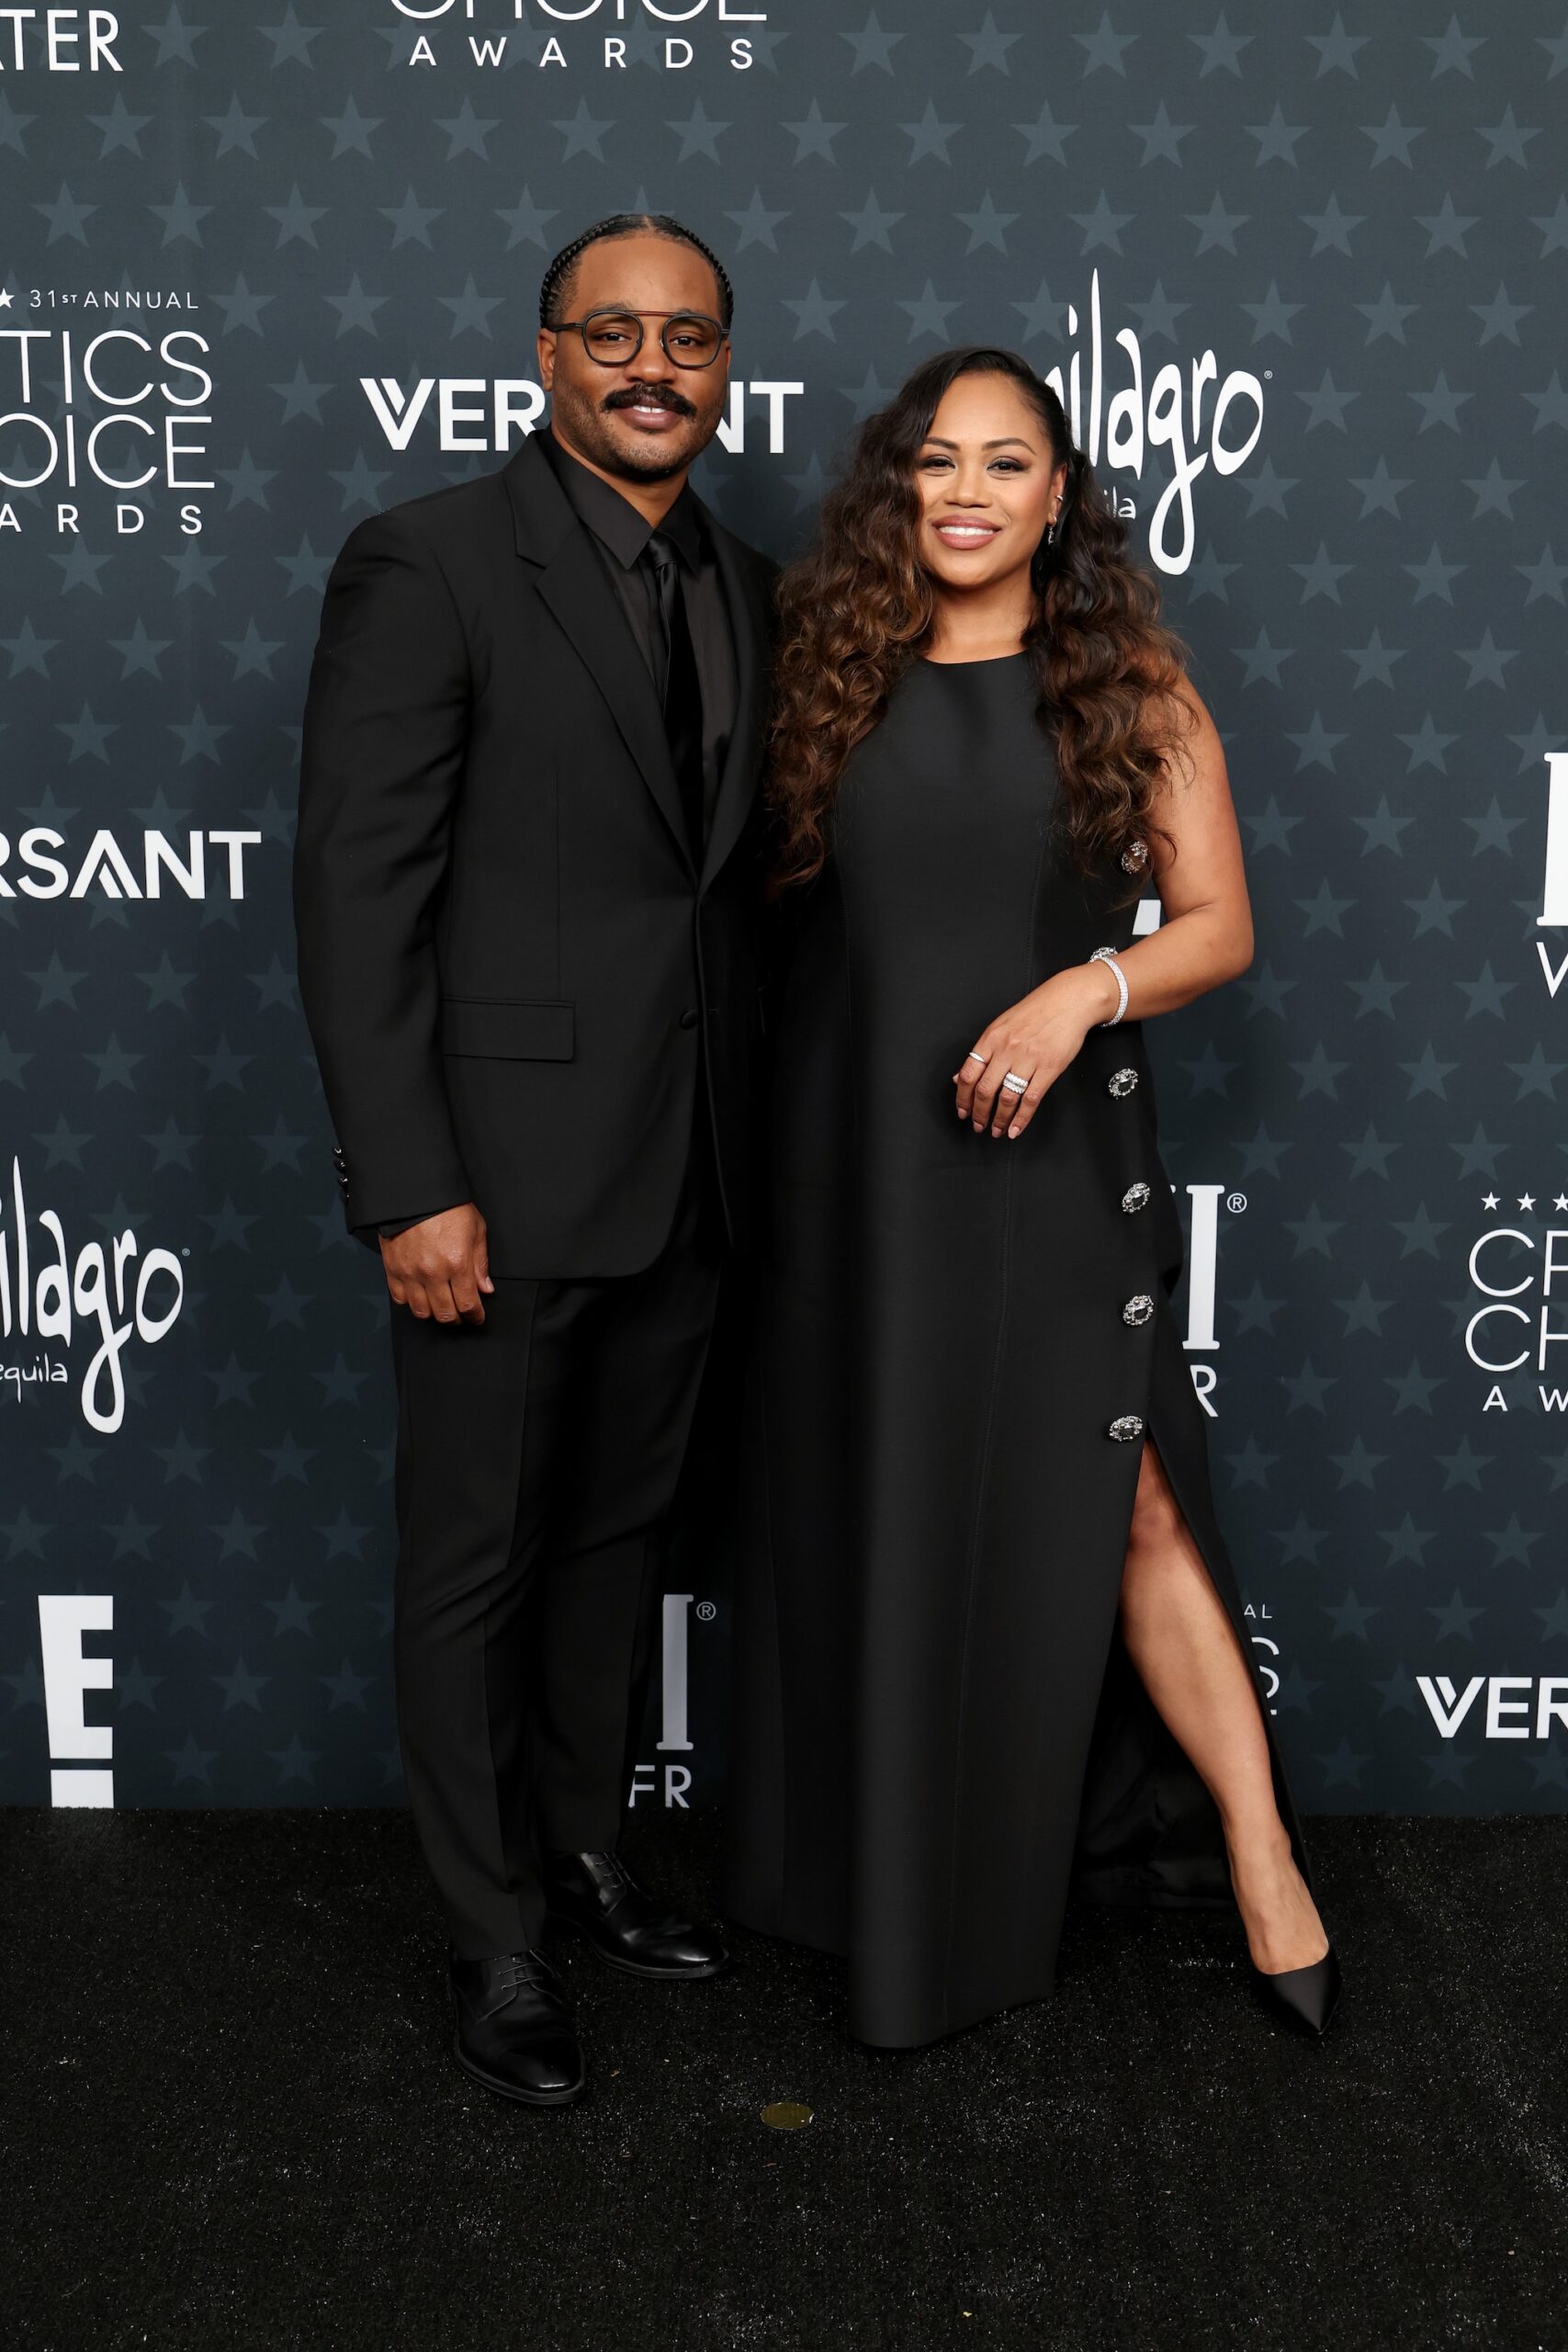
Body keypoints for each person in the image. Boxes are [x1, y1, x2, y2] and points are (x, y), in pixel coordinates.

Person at [720, 345, 1340, 2050]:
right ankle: (873, 1887)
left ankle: (1263, 1853)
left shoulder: (1126, 685)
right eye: (939, 461)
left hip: (1052, 1161)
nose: (971, 492)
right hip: (857, 1170)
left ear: (1060, 496)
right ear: (895, 489)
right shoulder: (824, 677)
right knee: (880, 1503)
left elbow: (1220, 925)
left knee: (1128, 1504)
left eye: (1009, 463)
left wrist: (1085, 992)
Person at [294, 212, 779, 2106]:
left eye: (688, 336)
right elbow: (357, 895)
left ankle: (582, 1850)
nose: (651, 364)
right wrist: (408, 1180)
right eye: (612, 332)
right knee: (473, 1560)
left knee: (608, 1545)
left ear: (723, 365)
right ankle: (491, 1935)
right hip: (490, 1176)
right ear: (544, 354)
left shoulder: (744, 577)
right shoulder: (425, 563)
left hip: (689, 1174)